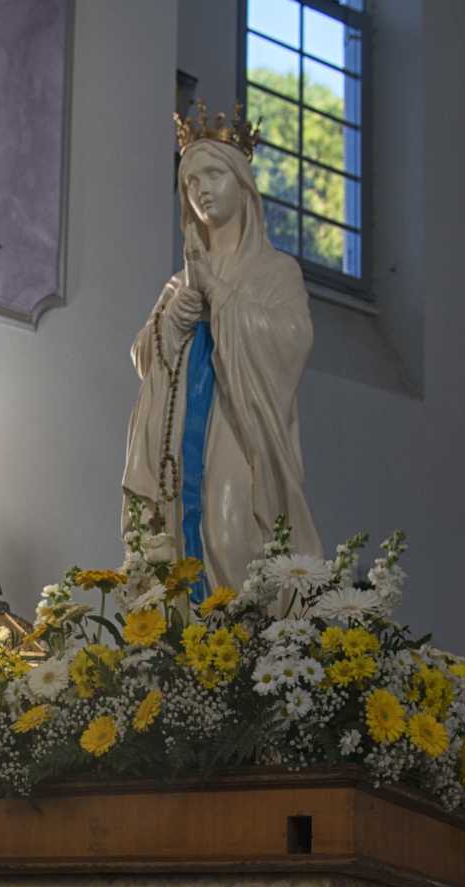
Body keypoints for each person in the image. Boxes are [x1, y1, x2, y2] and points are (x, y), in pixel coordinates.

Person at [121, 109, 323, 594]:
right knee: (174, 538)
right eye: (190, 182)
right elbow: (144, 358)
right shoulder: (178, 282)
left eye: (213, 174)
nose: (201, 189)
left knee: (231, 533)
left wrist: (220, 295)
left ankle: (236, 644)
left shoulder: (275, 272)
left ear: (244, 183)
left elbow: (290, 344)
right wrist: (178, 314)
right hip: (176, 434)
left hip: (237, 428)